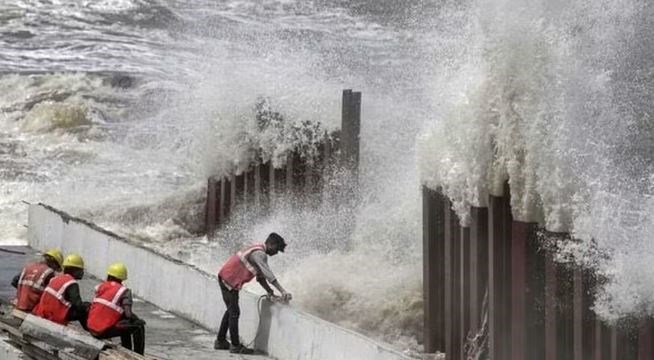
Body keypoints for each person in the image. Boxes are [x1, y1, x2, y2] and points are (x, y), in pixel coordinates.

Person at [215, 232, 292, 354]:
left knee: (230, 310)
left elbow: (260, 278)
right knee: (234, 313)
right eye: (277, 249)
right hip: (229, 281)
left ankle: (220, 341)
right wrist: (283, 291)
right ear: (271, 244)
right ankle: (235, 346)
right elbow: (268, 275)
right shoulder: (260, 254)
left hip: (226, 277)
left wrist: (270, 291)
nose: (276, 253)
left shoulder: (256, 248)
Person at [87, 263, 146, 355]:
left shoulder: (101, 287)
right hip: (102, 331)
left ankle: (127, 348)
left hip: (91, 328)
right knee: (138, 326)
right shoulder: (124, 291)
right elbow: (128, 314)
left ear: (109, 276)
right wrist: (137, 320)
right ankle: (138, 354)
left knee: (124, 324)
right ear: (122, 279)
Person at [32, 254, 89, 328]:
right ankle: (90, 331)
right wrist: (88, 307)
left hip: (42, 312)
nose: (82, 272)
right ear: (75, 270)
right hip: (54, 316)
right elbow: (78, 305)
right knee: (85, 309)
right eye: (81, 270)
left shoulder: (56, 278)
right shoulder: (71, 283)